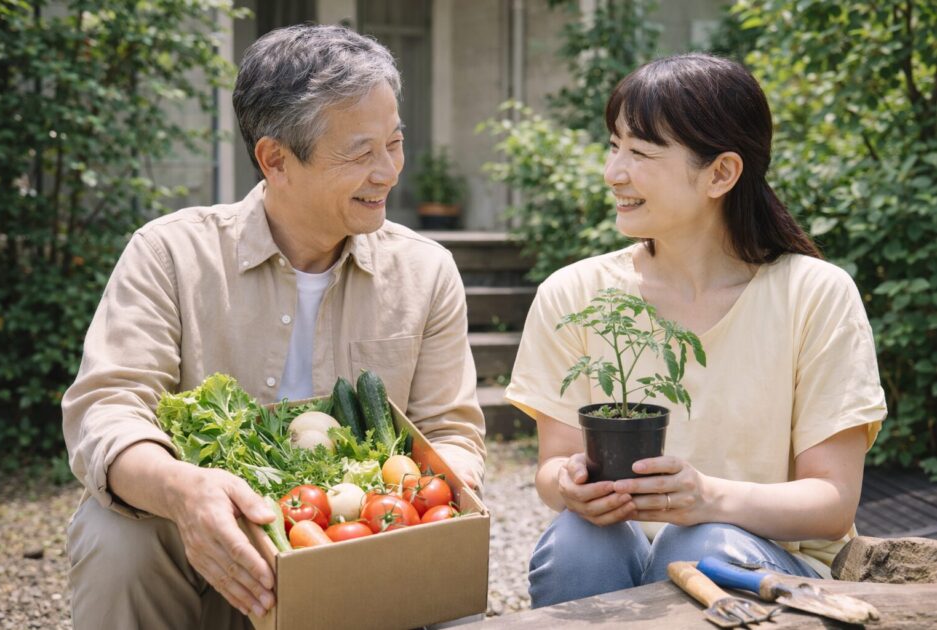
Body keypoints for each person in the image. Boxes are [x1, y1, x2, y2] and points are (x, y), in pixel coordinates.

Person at [62, 24, 486, 629]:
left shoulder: (426, 270)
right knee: (116, 535)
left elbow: (449, 428)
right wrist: (185, 490)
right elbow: (108, 409)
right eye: (361, 152)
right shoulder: (170, 254)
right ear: (275, 159)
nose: (389, 171)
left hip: (361, 537)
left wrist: (446, 485)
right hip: (209, 544)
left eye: (395, 143)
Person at [504, 53, 887, 608]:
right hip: (620, 556)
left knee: (701, 540)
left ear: (722, 173)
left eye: (639, 152)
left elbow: (832, 502)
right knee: (578, 539)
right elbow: (552, 467)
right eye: (614, 146)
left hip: (768, 566)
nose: (614, 172)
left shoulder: (815, 294)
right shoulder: (574, 295)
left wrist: (707, 497)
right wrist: (566, 484)